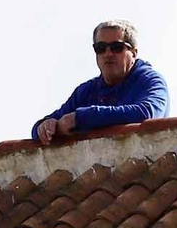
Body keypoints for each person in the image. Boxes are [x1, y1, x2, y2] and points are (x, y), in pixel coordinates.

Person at [33, 20, 169, 144]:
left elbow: (146, 113)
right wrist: (46, 126)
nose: (108, 54)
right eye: (101, 48)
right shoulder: (86, 91)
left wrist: (82, 118)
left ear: (133, 53)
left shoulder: (151, 81)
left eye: (116, 47)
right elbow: (39, 129)